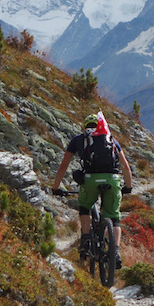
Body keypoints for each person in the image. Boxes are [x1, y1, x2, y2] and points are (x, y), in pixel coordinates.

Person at [52, 112, 132, 268]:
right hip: (112, 180)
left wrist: (56, 188)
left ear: (85, 127)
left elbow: (63, 166)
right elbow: (126, 167)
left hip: (90, 180)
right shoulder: (111, 140)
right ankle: (115, 251)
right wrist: (128, 187)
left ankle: (87, 238)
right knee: (114, 217)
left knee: (85, 206)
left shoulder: (79, 140)